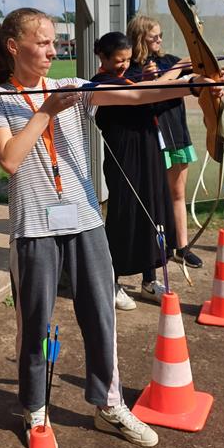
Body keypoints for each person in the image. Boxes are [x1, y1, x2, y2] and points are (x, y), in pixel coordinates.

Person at [0, 8, 222, 448]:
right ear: (14, 47)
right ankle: (35, 408)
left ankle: (109, 405)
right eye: (44, 42)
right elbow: (10, 160)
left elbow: (135, 96)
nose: (54, 50)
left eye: (55, 41)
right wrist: (46, 113)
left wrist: (196, 82)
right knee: (34, 322)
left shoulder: (71, 88)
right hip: (33, 225)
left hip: (86, 219)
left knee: (101, 314)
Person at [127, 15, 224, 268]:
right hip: (150, 140)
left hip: (176, 135)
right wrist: (152, 77)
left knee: (178, 193)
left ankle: (181, 247)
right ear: (140, 39)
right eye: (153, 37)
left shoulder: (170, 61)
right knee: (154, 197)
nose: (159, 39)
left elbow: (204, 73)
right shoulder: (131, 68)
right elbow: (137, 93)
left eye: (160, 35)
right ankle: (153, 252)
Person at [91, 32, 177, 311]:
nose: (125, 65)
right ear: (102, 57)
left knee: (153, 211)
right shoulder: (100, 83)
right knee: (124, 216)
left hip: (149, 151)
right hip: (124, 158)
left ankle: (149, 280)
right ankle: (111, 280)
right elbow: (141, 97)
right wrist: (179, 78)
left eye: (128, 59)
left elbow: (155, 99)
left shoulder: (132, 75)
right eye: (118, 60)